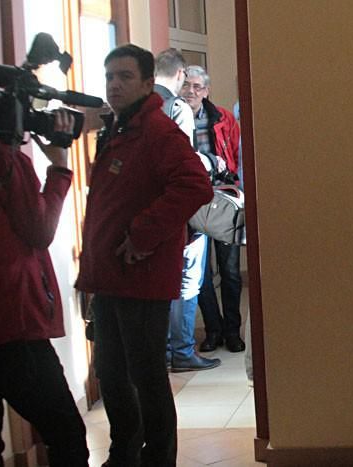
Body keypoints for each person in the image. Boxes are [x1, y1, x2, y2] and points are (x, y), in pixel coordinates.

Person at [76, 44, 213, 467]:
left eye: (124, 77)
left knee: (147, 378)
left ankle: (158, 459)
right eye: (109, 77)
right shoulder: (118, 130)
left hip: (141, 278)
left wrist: (142, 235)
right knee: (112, 376)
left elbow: (195, 185)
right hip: (110, 278)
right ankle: (124, 455)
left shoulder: (157, 131)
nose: (114, 85)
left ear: (148, 83)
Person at [0, 110, 89, 465]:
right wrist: (60, 168)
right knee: (66, 435)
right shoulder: (0, 160)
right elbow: (40, 230)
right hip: (12, 324)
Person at [154, 48, 220, 372]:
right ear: (180, 74)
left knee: (162, 280)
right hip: (180, 211)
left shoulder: (142, 106)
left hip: (152, 210)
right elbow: (184, 163)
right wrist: (211, 162)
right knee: (187, 280)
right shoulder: (176, 107)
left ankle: (165, 351)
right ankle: (182, 351)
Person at [182, 65, 245, 353]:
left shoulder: (224, 118)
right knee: (201, 274)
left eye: (197, 86)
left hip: (224, 202)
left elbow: (237, 156)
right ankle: (213, 330)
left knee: (230, 272)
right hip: (192, 202)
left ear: (206, 91)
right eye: (187, 85)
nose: (191, 91)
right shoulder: (175, 119)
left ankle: (232, 331)